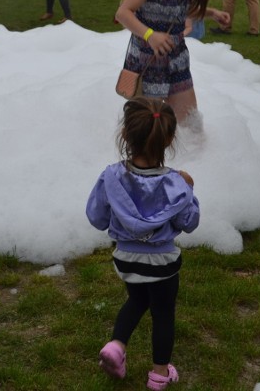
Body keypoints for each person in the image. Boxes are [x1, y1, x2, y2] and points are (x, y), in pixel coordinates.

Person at [86, 97, 200, 391]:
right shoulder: (176, 183)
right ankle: (159, 375)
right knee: (163, 313)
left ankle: (116, 345)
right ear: (169, 139)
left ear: (125, 135)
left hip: (125, 259)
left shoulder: (111, 177)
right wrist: (188, 188)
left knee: (137, 300)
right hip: (162, 265)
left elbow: (97, 217)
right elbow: (189, 223)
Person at [114, 0, 225, 124]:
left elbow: (175, 8)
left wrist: (212, 13)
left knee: (191, 126)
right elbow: (123, 13)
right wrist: (150, 35)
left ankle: (193, 156)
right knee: (148, 128)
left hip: (176, 60)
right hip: (149, 64)